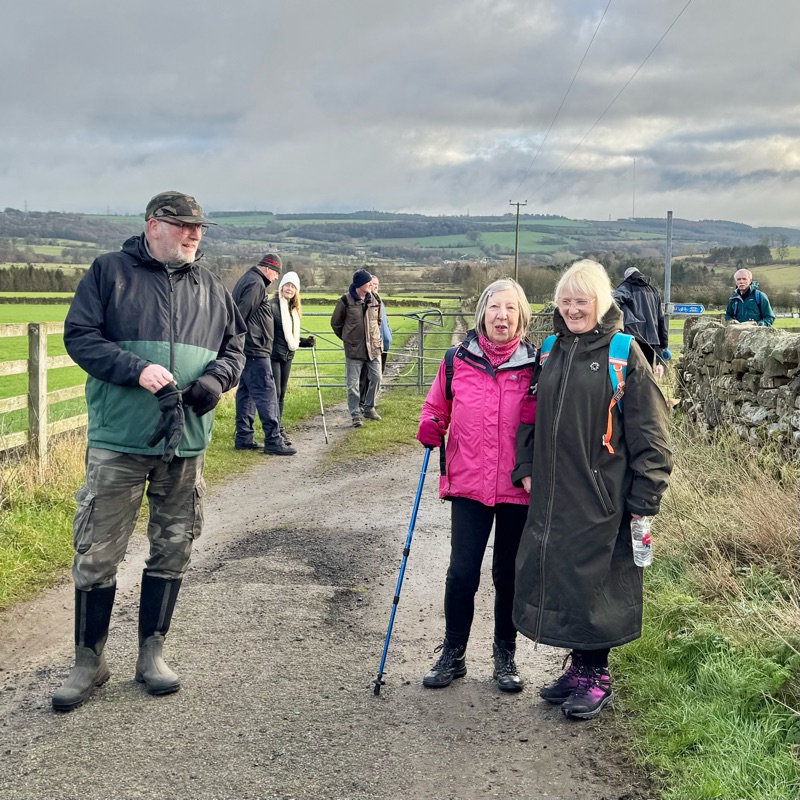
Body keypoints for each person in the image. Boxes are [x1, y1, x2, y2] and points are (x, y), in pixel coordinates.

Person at [53, 191, 246, 712]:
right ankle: (89, 662)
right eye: (183, 225)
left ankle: (151, 655)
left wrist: (215, 381)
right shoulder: (109, 272)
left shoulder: (211, 286)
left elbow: (236, 348)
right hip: (119, 438)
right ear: (153, 225)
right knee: (97, 552)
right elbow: (80, 336)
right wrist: (136, 369)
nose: (193, 234)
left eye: (198, 227)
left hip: (186, 442)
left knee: (173, 547)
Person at [511, 259, 672, 720]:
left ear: (600, 302)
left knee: (596, 582)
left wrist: (644, 499)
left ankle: (596, 676)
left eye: (581, 301)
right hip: (554, 492)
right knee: (567, 578)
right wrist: (526, 466)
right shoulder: (551, 350)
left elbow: (653, 436)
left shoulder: (625, 353)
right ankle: (579, 667)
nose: (572, 309)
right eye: (565, 301)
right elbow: (530, 415)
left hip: (604, 495)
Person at [416, 278, 536, 692]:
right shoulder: (456, 360)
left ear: (521, 316)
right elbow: (436, 406)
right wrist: (430, 423)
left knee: (509, 575)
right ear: (482, 313)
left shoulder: (535, 365)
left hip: (519, 486)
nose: (502, 316)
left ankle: (505, 656)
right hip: (468, 482)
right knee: (462, 573)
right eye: (494, 307)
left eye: (510, 308)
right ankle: (454, 653)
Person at [232, 253, 297, 455]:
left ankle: (243, 437)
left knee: (246, 393)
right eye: (276, 273)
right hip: (255, 348)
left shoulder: (248, 279)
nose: (276, 278)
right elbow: (241, 314)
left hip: (248, 348)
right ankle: (273, 440)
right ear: (269, 268)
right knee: (266, 393)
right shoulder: (256, 284)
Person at [268, 271, 316, 444]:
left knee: (281, 393)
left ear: (297, 291)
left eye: (293, 286)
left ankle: (278, 428)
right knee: (275, 393)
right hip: (273, 355)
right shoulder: (272, 306)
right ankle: (274, 431)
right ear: (281, 287)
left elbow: (290, 336)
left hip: (287, 355)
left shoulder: (292, 309)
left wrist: (305, 342)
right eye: (287, 285)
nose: (290, 288)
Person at [330, 268, 382, 428]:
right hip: (354, 350)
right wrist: (348, 339)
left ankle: (369, 408)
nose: (371, 284)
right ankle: (355, 414)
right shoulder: (344, 301)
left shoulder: (375, 299)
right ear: (360, 284)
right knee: (352, 385)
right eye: (368, 282)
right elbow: (336, 323)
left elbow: (378, 321)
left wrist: (374, 338)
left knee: (377, 378)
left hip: (373, 348)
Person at [612, 266, 669, 368]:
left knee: (631, 370)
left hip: (631, 336)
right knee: (646, 370)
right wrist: (664, 344)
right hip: (651, 339)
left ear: (627, 277)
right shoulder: (653, 291)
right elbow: (660, 318)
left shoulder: (626, 287)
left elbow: (613, 303)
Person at [358, 275, 391, 410]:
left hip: (383, 344)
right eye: (372, 284)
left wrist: (388, 335)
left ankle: (370, 402)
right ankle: (362, 402)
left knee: (378, 375)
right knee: (366, 375)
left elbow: (384, 322)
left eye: (377, 285)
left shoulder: (379, 301)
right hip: (370, 345)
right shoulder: (365, 302)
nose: (375, 287)